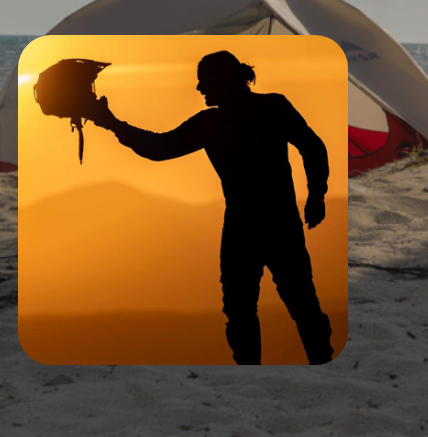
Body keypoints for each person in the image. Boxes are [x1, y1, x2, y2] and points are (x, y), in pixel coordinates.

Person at [88, 50, 335, 364]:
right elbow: (313, 147)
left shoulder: (224, 120)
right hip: (271, 224)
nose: (198, 88)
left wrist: (111, 123)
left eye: (204, 80)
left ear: (224, 80)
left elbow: (158, 148)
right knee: (290, 306)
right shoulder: (264, 109)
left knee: (257, 311)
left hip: (251, 229)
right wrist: (316, 196)